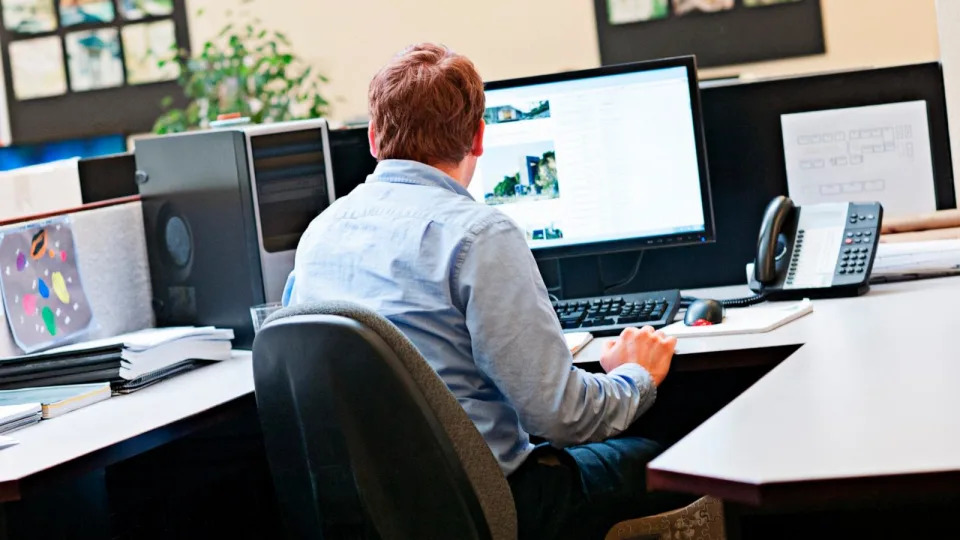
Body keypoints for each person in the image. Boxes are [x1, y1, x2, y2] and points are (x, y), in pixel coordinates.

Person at [283, 43, 684, 539]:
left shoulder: (318, 235)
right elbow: (562, 418)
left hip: (369, 513)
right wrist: (635, 376)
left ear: (372, 137)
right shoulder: (478, 235)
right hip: (489, 506)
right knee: (674, 455)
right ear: (477, 137)